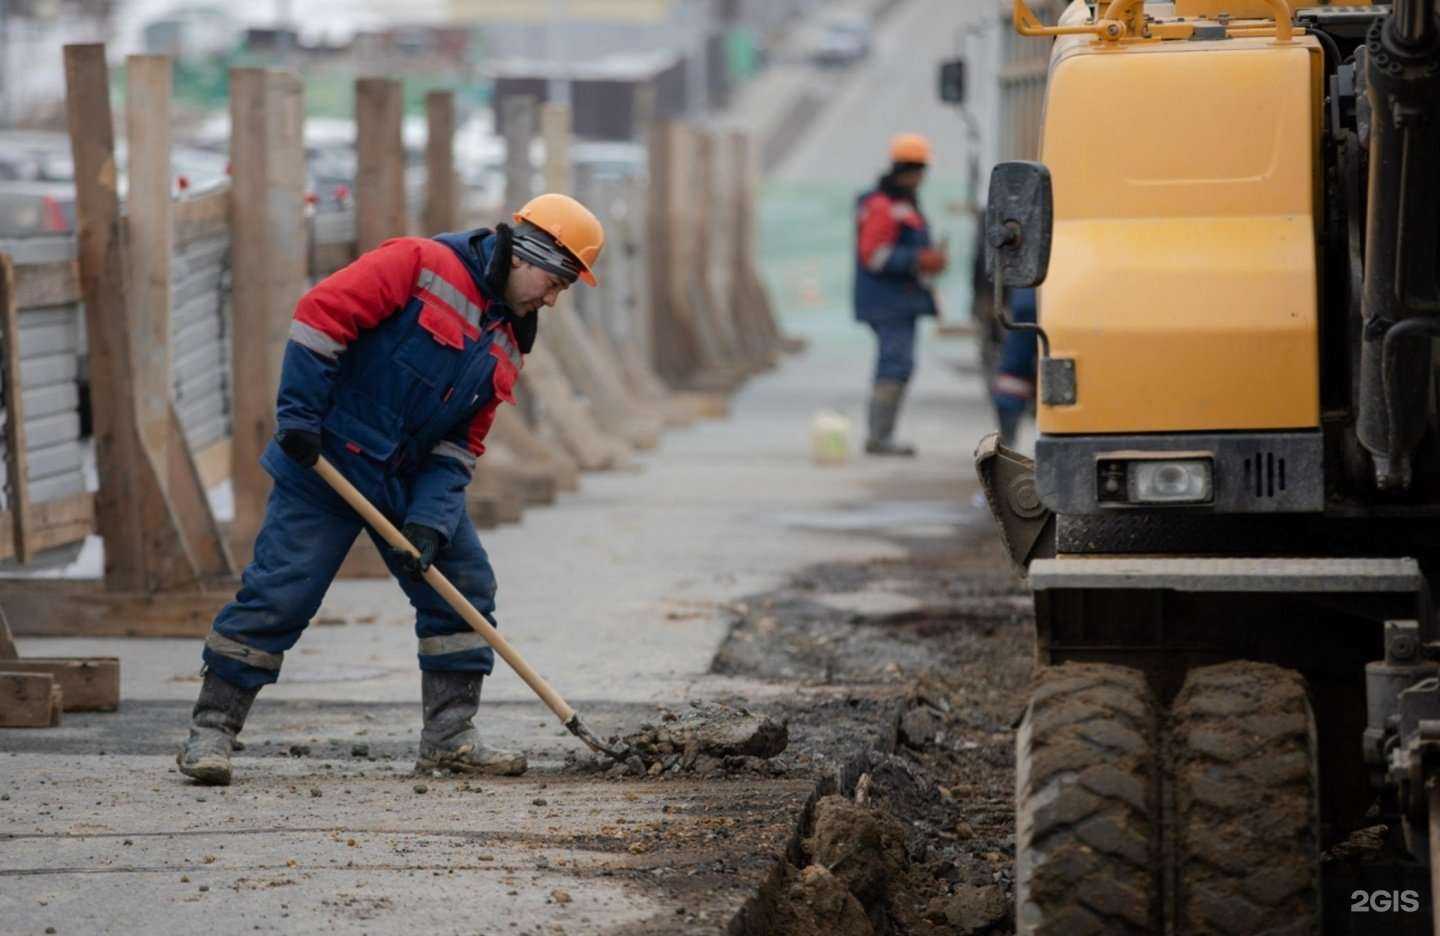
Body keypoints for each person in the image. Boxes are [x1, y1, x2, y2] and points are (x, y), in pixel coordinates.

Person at [176, 194, 604, 786]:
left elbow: (461, 444)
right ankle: (211, 733)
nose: (553, 298)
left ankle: (450, 738)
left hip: (408, 476)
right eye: (555, 281)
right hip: (327, 459)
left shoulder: (510, 341)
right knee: (282, 593)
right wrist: (299, 419)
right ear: (527, 254)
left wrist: (430, 520)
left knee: (464, 586)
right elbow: (319, 316)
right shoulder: (418, 264)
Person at [853, 132, 947, 456]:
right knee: (895, 363)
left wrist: (926, 261)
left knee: (899, 364)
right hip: (889, 301)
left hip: (898, 299)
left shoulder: (900, 204)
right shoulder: (884, 206)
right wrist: (919, 260)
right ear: (912, 170)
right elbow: (874, 255)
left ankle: (881, 435)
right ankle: (879, 437)